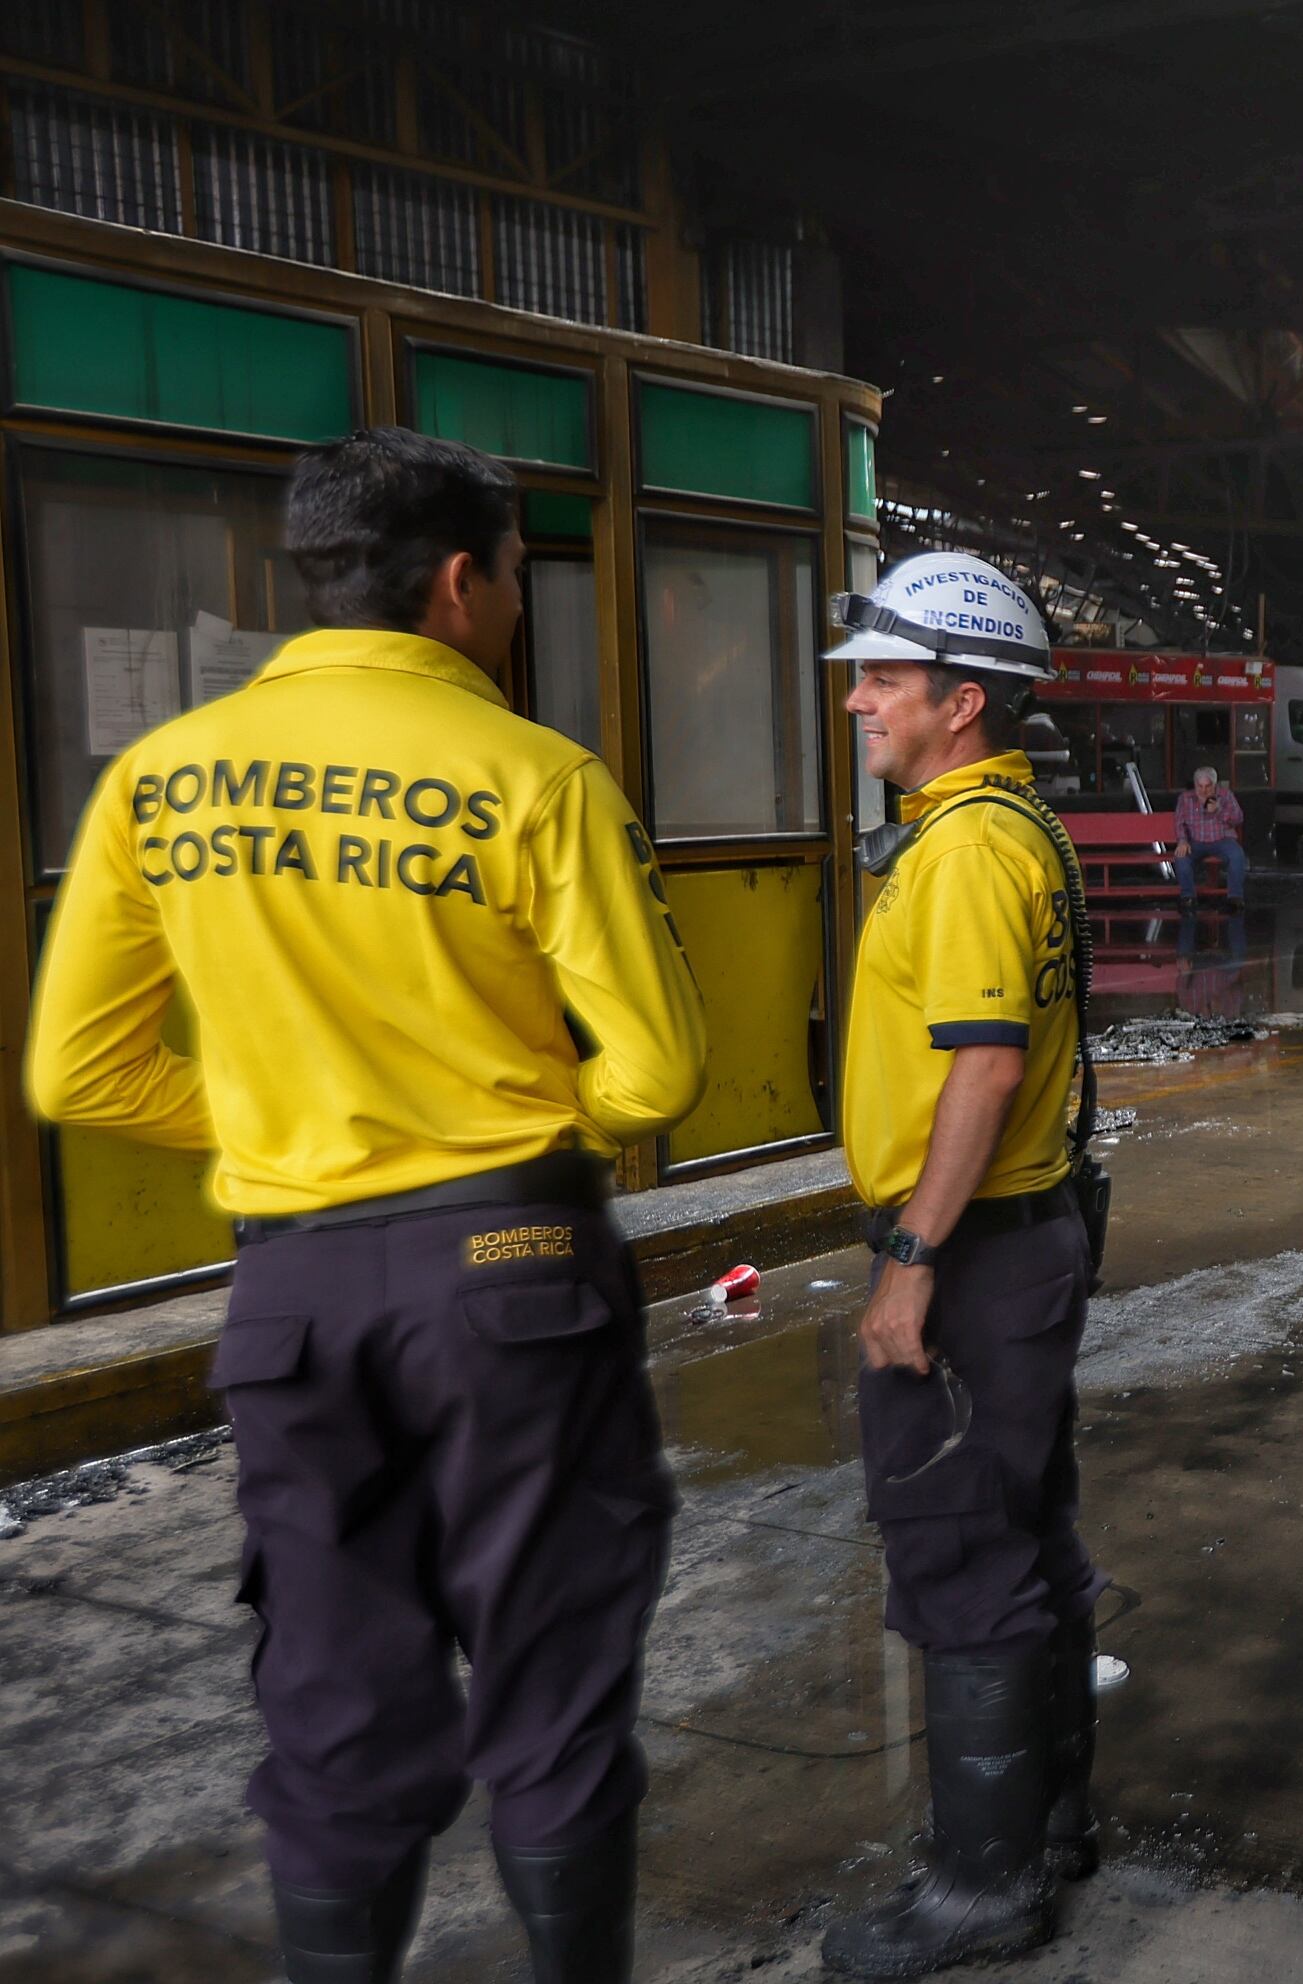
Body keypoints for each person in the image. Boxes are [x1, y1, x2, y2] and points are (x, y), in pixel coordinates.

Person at [24, 427, 709, 1984]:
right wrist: (528, 1126)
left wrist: (279, 1121)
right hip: (516, 1273)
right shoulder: (536, 776)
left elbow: (79, 1071)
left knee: (334, 1702)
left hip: (295, 1294)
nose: (521, 607)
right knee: (549, 1683)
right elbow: (660, 1072)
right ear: (460, 581)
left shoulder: (159, 782)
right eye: (522, 578)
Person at [819, 551, 1106, 1976]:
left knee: (956, 1543)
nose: (859, 703)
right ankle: (1049, 1830)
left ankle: (982, 1892)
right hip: (1024, 1238)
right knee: (1026, 1526)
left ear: (964, 698)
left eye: (883, 679)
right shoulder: (1001, 829)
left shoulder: (975, 852)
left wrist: (911, 1261)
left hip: (979, 1248)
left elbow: (984, 1070)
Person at [1172, 763, 1248, 912]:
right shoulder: (1185, 798)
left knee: (1237, 855)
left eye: (1208, 786)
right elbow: (1179, 822)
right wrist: (1182, 840)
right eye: (1199, 786)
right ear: (1195, 785)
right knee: (1181, 857)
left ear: (1215, 784)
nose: (1203, 790)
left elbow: (1238, 818)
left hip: (1222, 839)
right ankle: (1188, 897)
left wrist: (1219, 811)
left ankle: (1235, 898)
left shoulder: (1226, 795)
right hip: (1196, 841)